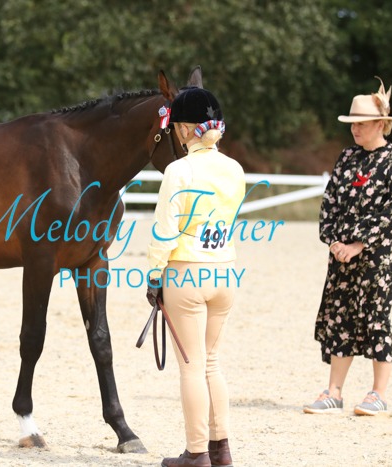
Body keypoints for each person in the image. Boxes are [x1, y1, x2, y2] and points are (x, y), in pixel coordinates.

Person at [147, 86, 245, 467]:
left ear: (186, 130)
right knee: (211, 363)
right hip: (225, 271)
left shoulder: (179, 170)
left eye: (176, 128)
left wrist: (154, 276)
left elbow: (165, 231)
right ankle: (221, 449)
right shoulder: (235, 169)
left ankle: (197, 452)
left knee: (191, 367)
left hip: (187, 272)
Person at [304, 78, 392, 416]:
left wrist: (359, 244)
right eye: (353, 123)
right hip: (341, 254)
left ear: (381, 124)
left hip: (378, 257)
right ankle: (334, 392)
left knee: (375, 316)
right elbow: (330, 203)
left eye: (362, 123)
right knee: (340, 316)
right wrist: (335, 241)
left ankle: (378, 394)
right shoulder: (347, 157)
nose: (355, 129)